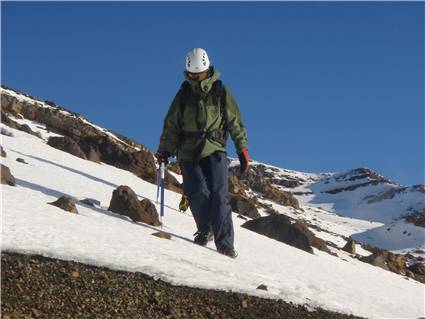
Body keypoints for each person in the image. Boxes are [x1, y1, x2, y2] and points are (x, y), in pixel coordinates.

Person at [156, 48, 249, 258]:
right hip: (188, 151)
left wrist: (242, 149)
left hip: (215, 149)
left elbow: (235, 121)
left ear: (207, 70)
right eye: (192, 75)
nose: (196, 78)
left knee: (219, 196)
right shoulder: (183, 95)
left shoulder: (220, 91)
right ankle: (205, 229)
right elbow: (171, 125)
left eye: (199, 74)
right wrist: (165, 150)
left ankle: (225, 244)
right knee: (197, 191)